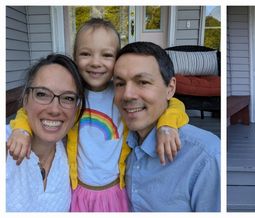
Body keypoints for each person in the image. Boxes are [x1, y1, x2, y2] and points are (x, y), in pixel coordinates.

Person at [7, 18, 189, 212]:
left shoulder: (121, 94)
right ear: (75, 58)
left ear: (117, 61)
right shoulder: (72, 94)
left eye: (107, 55)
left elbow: (172, 104)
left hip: (115, 190)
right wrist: (22, 130)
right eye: (86, 54)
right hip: (78, 190)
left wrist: (167, 125)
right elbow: (31, 108)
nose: (95, 63)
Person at [113, 41, 220, 212]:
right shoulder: (116, 141)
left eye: (142, 82)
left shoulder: (204, 157)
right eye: (119, 84)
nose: (127, 95)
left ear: (170, 88)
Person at [6, 54, 85, 211]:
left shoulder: (73, 150)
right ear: (26, 100)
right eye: (42, 94)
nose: (54, 110)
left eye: (68, 98)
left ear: (76, 109)